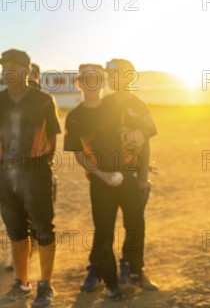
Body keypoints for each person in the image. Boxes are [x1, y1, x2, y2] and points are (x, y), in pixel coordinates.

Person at [64, 64, 137, 300]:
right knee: (104, 234)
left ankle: (133, 270)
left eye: (97, 79)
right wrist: (102, 175)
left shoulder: (116, 106)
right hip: (100, 181)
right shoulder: (75, 117)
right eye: (87, 79)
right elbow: (78, 153)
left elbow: (134, 134)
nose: (92, 84)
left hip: (127, 175)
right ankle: (112, 284)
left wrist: (140, 162)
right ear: (80, 83)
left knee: (135, 225)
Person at [0, 49, 61, 307]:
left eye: (13, 67)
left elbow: (53, 137)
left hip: (35, 171)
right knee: (15, 230)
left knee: (43, 229)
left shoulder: (43, 101)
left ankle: (45, 285)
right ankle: (21, 283)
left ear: (26, 71)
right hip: (3, 172)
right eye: (4, 67)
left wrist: (40, 165)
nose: (6, 72)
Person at [103, 58, 158, 291]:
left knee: (135, 225)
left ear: (129, 77)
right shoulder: (102, 105)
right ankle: (101, 271)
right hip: (104, 175)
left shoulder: (140, 106)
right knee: (103, 226)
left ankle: (135, 269)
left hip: (133, 174)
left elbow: (146, 146)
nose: (112, 79)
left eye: (118, 74)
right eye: (109, 75)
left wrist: (144, 177)